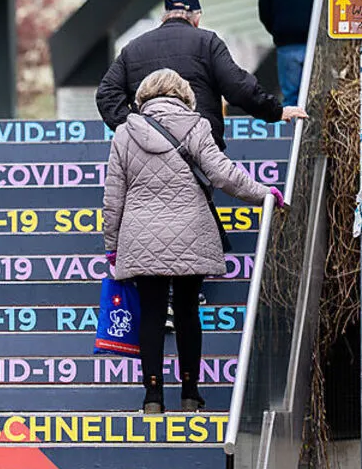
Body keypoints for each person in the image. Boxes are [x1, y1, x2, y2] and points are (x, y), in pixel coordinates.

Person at [102, 69, 286, 414]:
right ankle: (190, 393)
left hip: (141, 235)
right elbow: (223, 174)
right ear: (184, 95)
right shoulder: (198, 126)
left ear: (143, 98)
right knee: (187, 312)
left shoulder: (125, 133)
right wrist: (265, 193)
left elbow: (114, 197)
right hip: (191, 230)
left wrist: (112, 246)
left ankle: (152, 397)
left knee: (152, 314)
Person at [96, 0, 307, 152]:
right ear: (196, 17)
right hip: (198, 145)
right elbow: (238, 87)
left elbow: (107, 94)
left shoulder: (134, 48)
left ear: (164, 16)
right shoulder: (207, 42)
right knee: (194, 205)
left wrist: (135, 128)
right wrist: (275, 111)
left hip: (147, 149)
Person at [258, 0, 322, 106]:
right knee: (321, 99)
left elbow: (264, 5)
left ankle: (294, 129)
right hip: (319, 41)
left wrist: (279, 32)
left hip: (288, 42)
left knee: (292, 99)